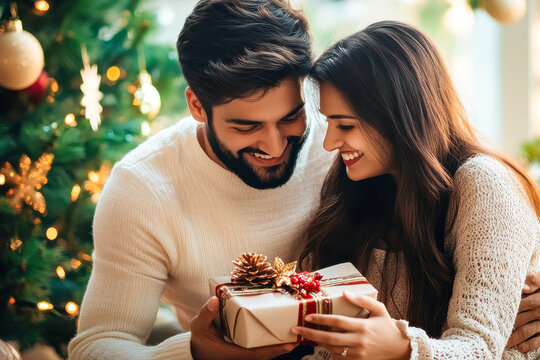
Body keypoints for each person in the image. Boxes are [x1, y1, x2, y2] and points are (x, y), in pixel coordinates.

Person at [67, 1, 540, 358]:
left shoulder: (352, 155)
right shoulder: (144, 188)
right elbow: (94, 346)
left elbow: (451, 314)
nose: (275, 146)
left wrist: (484, 314)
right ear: (197, 107)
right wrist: (193, 352)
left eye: (293, 118)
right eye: (246, 126)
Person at [293, 21, 540, 359]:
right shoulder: (359, 187)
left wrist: (402, 347)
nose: (330, 143)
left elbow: (479, 349)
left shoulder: (484, 184)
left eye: (345, 125)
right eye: (330, 123)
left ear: (398, 115)